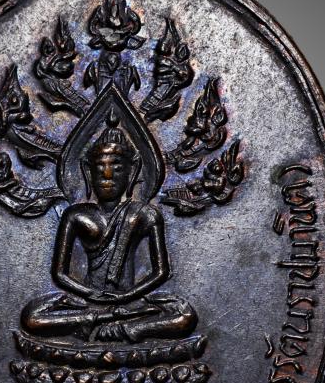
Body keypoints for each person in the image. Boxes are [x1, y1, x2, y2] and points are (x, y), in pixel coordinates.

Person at [21, 120, 197, 343]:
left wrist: (128, 296)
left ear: (131, 172)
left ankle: (111, 326)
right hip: (86, 303)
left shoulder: (146, 214)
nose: (107, 174)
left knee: (185, 317)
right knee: (31, 318)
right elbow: (59, 274)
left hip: (131, 301)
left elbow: (161, 272)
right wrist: (90, 294)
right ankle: (112, 323)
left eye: (117, 167)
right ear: (88, 172)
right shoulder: (76, 215)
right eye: (99, 167)